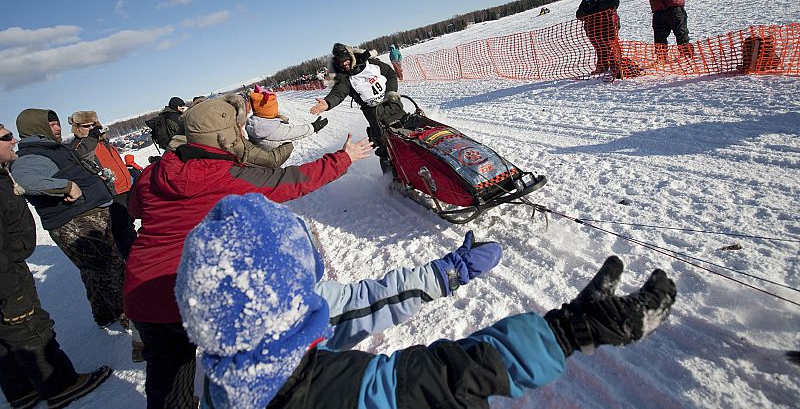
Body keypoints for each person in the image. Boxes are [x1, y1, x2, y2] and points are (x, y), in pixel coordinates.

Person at [175, 193, 677, 409]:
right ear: (283, 298)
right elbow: (443, 379)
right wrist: (569, 332)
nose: (316, 290)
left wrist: (446, 272)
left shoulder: (224, 359)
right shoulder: (321, 394)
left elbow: (357, 302)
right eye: (304, 279)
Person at [123, 98, 373, 408]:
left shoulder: (158, 170)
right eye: (236, 128)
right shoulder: (227, 175)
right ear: (225, 136)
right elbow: (291, 182)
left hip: (144, 291)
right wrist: (343, 158)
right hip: (189, 289)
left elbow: (133, 207)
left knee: (168, 382)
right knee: (249, 354)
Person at [0, 123, 113, 409]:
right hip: (6, 272)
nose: (13, 139)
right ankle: (60, 384)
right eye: (4, 137)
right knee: (29, 326)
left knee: (6, 335)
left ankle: (22, 390)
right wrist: (9, 285)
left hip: (8, 266)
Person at [11, 109, 127, 329]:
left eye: (57, 123)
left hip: (86, 215)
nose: (57, 127)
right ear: (36, 128)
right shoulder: (31, 155)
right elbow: (24, 179)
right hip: (75, 221)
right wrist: (65, 186)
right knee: (111, 269)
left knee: (94, 270)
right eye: (51, 124)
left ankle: (104, 314)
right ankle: (133, 319)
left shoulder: (51, 149)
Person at [310, 42, 407, 172]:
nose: (344, 63)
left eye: (345, 60)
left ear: (351, 56)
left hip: (393, 104)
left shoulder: (371, 64)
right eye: (340, 62)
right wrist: (327, 103)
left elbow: (389, 73)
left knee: (408, 130)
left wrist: (391, 91)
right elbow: (338, 94)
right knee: (384, 147)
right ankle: (390, 179)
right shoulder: (345, 79)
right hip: (375, 115)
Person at [67, 110, 137, 259]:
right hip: (110, 192)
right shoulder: (79, 146)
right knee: (121, 230)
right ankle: (131, 258)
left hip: (125, 188)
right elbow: (82, 156)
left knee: (129, 224)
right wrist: (92, 137)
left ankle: (136, 251)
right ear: (77, 127)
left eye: (94, 125)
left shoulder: (103, 142)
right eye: (87, 126)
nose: (92, 129)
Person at [245, 85, 328, 160]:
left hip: (263, 158)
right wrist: (313, 127)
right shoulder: (270, 129)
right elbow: (293, 132)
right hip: (272, 162)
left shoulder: (252, 123)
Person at [576, 0, 622, 77]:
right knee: (600, 48)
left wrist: (599, 7)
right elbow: (579, 15)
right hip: (593, 29)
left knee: (610, 46)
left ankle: (615, 66)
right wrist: (589, 10)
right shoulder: (587, 0)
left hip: (608, 26)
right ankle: (602, 66)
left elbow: (615, 3)